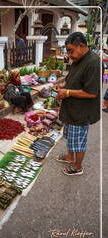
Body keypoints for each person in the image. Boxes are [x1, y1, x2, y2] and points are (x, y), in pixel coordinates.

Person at [55, 32, 100, 176]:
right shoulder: (78, 59)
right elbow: (72, 78)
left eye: (70, 50)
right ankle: (69, 157)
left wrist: (67, 92)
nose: (69, 54)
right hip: (71, 108)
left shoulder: (93, 62)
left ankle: (77, 166)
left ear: (81, 45)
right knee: (70, 136)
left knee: (78, 140)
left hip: (81, 111)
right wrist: (64, 84)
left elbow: (92, 92)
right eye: (67, 51)